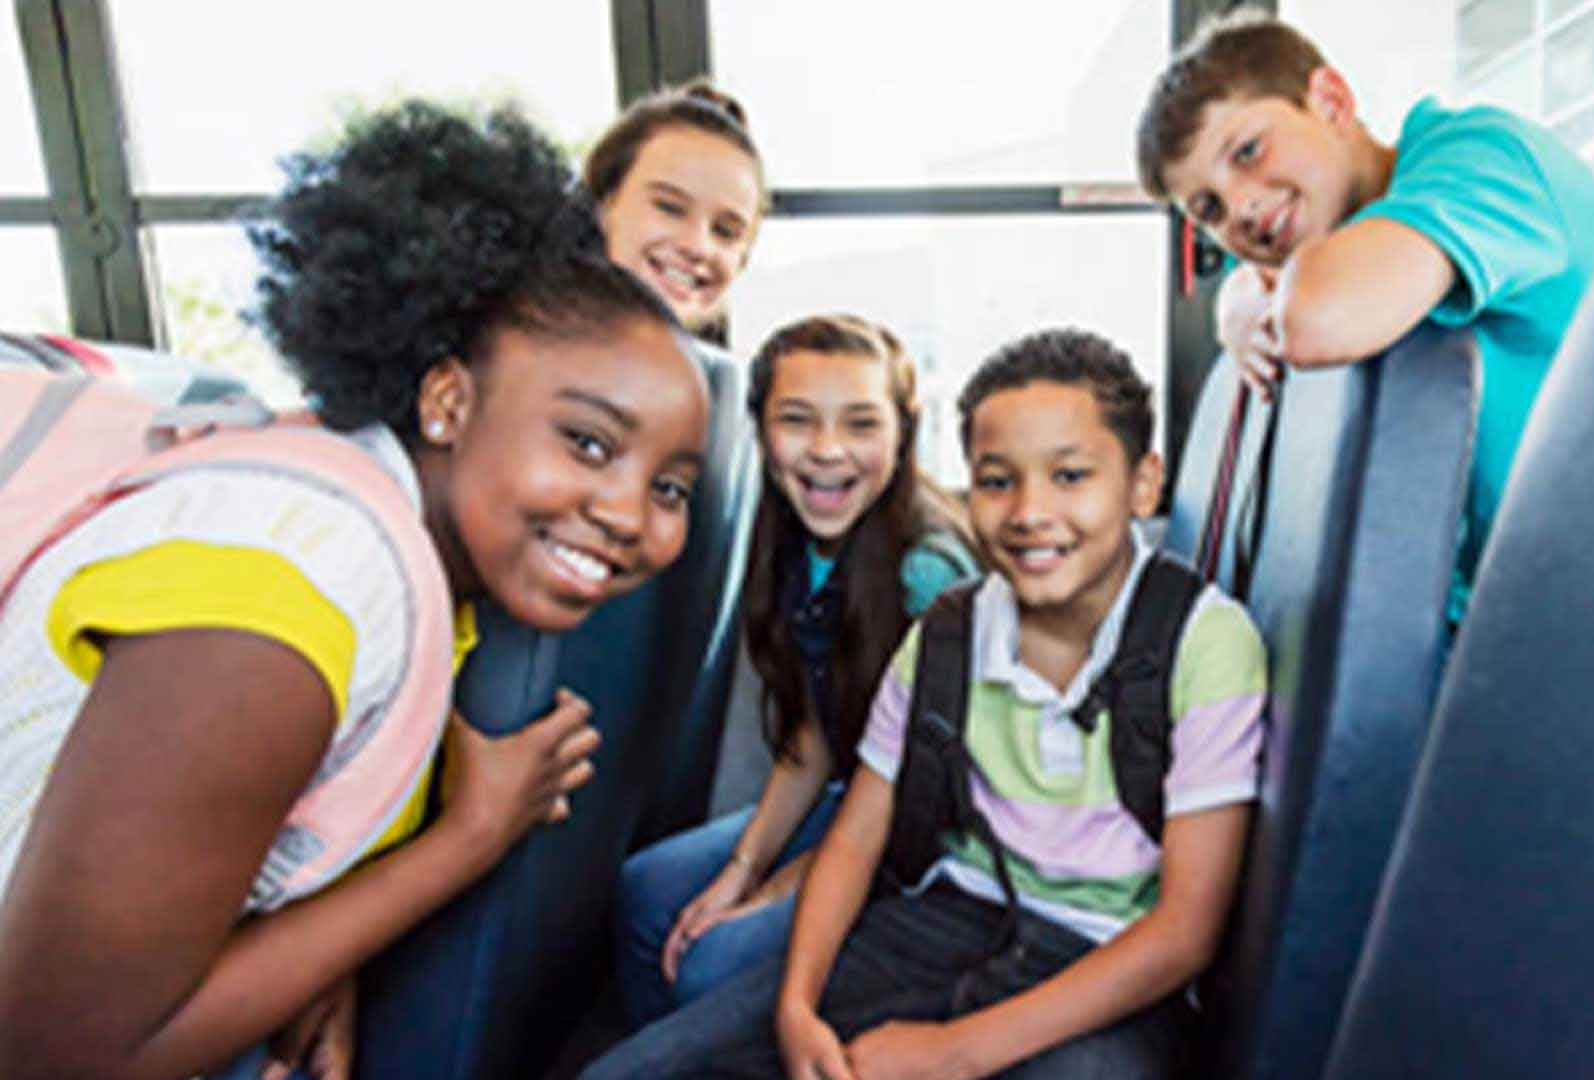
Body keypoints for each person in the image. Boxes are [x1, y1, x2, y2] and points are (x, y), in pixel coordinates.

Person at [0, 101, 710, 1080]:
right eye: (586, 443)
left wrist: (308, 954)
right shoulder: (291, 584)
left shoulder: (406, 554)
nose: (633, 515)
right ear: (448, 400)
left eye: (671, 487)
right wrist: (469, 837)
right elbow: (58, 1053)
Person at [584, 328, 1269, 1079]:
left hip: (1105, 958)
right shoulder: (949, 630)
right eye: (997, 480)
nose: (1030, 512)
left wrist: (954, 1053)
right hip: (942, 921)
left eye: (1071, 476)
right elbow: (855, 836)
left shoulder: (1206, 641)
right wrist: (797, 1005)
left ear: (1143, 483)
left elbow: (1184, 931)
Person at [1136, 9, 1594, 619]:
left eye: (1248, 151)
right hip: (1502, 619)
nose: (1240, 208)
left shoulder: (1483, 156)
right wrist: (1240, 294)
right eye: (1209, 208)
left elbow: (1317, 318)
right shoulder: (1369, 244)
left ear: (1332, 101)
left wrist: (1253, 296)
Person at [612, 313, 977, 1029]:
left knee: (712, 961)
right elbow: (812, 732)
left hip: (931, 835)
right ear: (760, 430)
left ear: (903, 431)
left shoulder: (928, 574)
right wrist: (741, 871)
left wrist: (782, 886)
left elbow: (934, 804)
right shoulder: (793, 544)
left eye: (861, 425)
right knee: (647, 890)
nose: (828, 451)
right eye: (798, 421)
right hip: (852, 793)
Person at [586, 80, 769, 347]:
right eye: (670, 208)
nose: (697, 246)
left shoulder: (726, 382)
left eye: (725, 231)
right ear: (605, 205)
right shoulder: (520, 359)